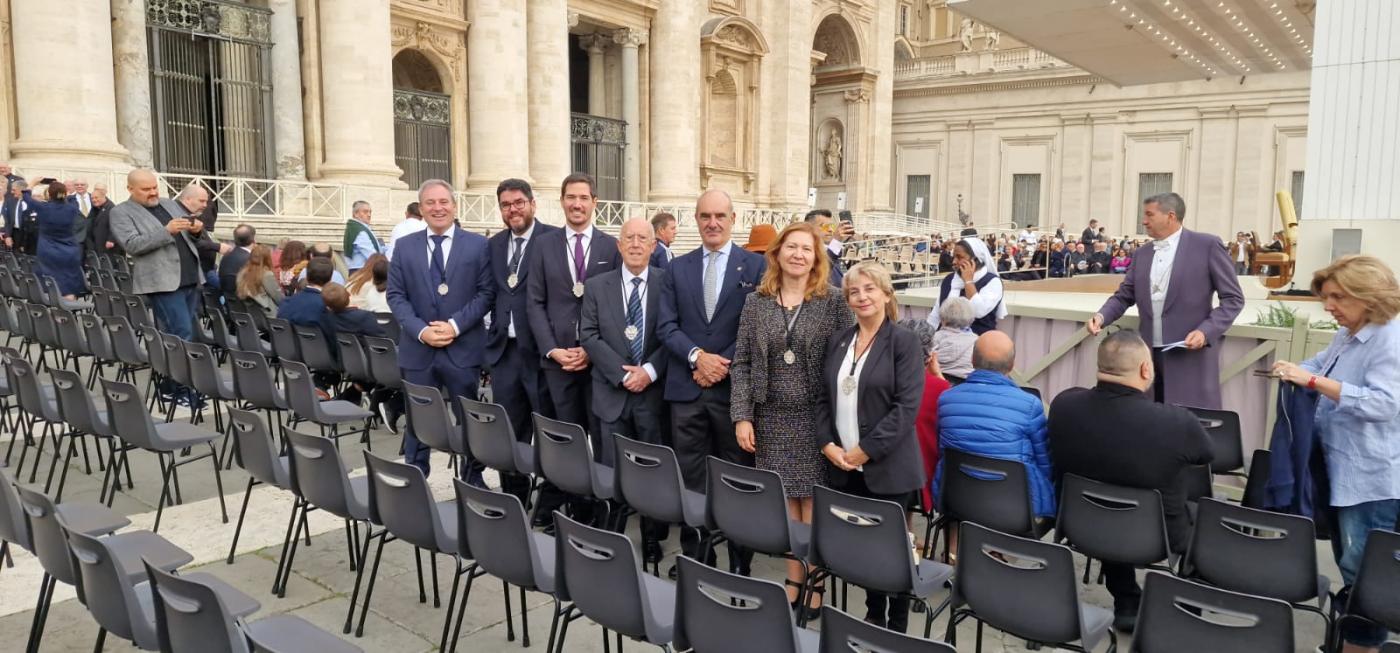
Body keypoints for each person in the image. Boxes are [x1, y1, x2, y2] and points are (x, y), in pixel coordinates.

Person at [1269, 255, 1400, 653]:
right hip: (1343, 468)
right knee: (1351, 565)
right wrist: (1296, 368)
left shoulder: (1390, 338)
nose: (1329, 306)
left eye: (1337, 297)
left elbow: (1385, 404)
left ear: (1368, 295)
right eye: (1327, 297)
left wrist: (1310, 380)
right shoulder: (1351, 331)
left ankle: (1361, 646)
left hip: (1371, 479)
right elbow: (1322, 365)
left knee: (1364, 576)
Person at [1048, 329, 1214, 633]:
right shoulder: (1176, 423)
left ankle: (1127, 602)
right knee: (1204, 515)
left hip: (1081, 526)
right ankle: (1188, 618)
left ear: (1100, 366)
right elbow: (1206, 455)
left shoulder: (1063, 406)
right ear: (1145, 369)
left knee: (1111, 503)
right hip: (1159, 538)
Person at [730, 222, 851, 615]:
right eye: (791, 247)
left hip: (816, 419)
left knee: (813, 505)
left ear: (817, 258)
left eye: (807, 249)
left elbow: (850, 362)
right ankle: (793, 579)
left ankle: (814, 583)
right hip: (770, 419)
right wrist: (742, 416)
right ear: (777, 253)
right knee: (783, 505)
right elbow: (744, 363)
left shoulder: (833, 302)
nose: (799, 254)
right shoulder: (756, 302)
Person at [657, 188, 767, 575]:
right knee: (691, 479)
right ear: (696, 219)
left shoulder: (755, 268)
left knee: (737, 479)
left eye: (720, 215)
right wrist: (696, 357)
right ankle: (696, 557)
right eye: (705, 216)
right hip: (686, 392)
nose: (713, 223)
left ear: (733, 219)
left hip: (733, 394)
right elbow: (665, 326)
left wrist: (722, 363)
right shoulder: (677, 268)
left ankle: (740, 563)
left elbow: (758, 328)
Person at [814, 261, 926, 632]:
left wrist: (867, 450)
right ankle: (873, 612)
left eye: (869, 289)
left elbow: (906, 408)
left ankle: (896, 622)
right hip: (844, 466)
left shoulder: (904, 342)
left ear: (886, 294)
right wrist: (827, 443)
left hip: (887, 468)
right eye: (853, 292)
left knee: (892, 548)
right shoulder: (839, 340)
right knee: (864, 546)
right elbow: (822, 399)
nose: (861, 297)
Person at [1087, 192, 1245, 408]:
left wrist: (1206, 331)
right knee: (1149, 423)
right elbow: (1125, 295)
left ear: (1170, 216)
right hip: (1146, 358)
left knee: (1189, 425)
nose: (1144, 221)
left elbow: (1233, 299)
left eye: (1149, 215)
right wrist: (1101, 316)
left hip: (1190, 356)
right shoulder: (1142, 253)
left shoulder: (1207, 245)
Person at [388, 179, 495, 478]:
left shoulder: (478, 245)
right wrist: (421, 330)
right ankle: (415, 480)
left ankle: (473, 479)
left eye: (443, 202)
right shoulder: (405, 246)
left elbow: (486, 293)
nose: (438, 208)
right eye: (430, 203)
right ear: (421, 209)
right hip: (418, 349)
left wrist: (454, 326)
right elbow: (396, 295)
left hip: (462, 348)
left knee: (468, 420)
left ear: (454, 205)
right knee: (419, 420)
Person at [579, 217, 670, 552]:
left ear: (653, 245)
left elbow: (671, 334)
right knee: (610, 468)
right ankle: (610, 536)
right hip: (610, 393)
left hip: (652, 394)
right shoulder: (596, 285)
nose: (635, 244)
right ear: (618, 245)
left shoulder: (666, 283)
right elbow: (588, 335)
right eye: (628, 238)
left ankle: (650, 537)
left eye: (642, 238)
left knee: (650, 471)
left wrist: (648, 371)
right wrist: (622, 374)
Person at [526, 173, 621, 446]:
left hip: (599, 361)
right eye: (570, 197)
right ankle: (567, 488)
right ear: (561, 201)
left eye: (583, 198)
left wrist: (593, 351)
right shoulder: (543, 245)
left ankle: (600, 489)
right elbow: (534, 301)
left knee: (602, 434)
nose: (576, 204)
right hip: (558, 359)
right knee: (564, 437)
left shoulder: (610, 247)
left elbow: (615, 307)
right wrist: (552, 349)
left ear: (595, 202)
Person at [485, 178, 559, 505]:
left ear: (532, 203)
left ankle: (550, 499)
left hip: (542, 352)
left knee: (548, 429)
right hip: (505, 353)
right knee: (508, 432)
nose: (513, 210)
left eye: (518, 203)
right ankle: (515, 497)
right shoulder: (495, 245)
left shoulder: (553, 239)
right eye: (506, 204)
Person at [935, 331, 1054, 520]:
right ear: (1012, 365)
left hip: (957, 499)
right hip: (1015, 508)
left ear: (972, 360)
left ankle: (953, 549)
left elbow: (941, 452)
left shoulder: (947, 399)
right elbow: (1045, 463)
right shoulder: (1029, 405)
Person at [108, 169, 205, 341]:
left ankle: (179, 366)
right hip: (162, 282)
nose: (152, 192)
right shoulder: (121, 212)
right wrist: (166, 231)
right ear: (130, 189)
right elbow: (132, 245)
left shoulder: (169, 203)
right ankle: (175, 367)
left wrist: (196, 231)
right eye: (145, 189)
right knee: (180, 332)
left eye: (154, 187)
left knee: (189, 331)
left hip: (190, 276)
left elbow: (187, 234)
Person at [926, 237, 1006, 335]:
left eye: (959, 257)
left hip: (977, 343)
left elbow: (978, 311)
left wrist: (968, 281)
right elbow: (936, 314)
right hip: (945, 341)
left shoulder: (992, 281)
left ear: (975, 259)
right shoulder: (950, 280)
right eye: (954, 257)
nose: (954, 262)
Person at [30, 180, 86, 298]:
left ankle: (54, 311)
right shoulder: (72, 207)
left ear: (49, 195)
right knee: (69, 283)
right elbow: (72, 200)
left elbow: (26, 196)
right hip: (69, 251)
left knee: (50, 282)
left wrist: (32, 183)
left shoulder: (43, 208)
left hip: (48, 250)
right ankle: (68, 311)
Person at [277, 256, 334, 343]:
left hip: (287, 351)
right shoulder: (327, 307)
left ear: (307, 277)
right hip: (318, 353)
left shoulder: (286, 302)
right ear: (330, 280)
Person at [804, 209, 855, 287]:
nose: (830, 230)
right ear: (809, 228)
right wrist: (836, 241)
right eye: (824, 226)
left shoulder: (833, 252)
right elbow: (822, 267)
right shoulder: (805, 253)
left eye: (832, 226)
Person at [932, 296, 977, 381]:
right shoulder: (978, 342)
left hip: (939, 382)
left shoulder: (934, 338)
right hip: (967, 384)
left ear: (943, 317)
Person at [235, 244, 283, 317]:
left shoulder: (242, 272)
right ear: (268, 259)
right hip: (268, 314)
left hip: (250, 313)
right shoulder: (267, 275)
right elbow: (278, 298)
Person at [218, 224, 257, 301]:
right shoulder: (251, 260)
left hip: (227, 301)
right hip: (246, 303)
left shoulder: (226, 256)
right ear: (253, 239)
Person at [342, 200, 382, 273]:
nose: (369, 215)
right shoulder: (359, 231)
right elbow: (372, 255)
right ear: (356, 214)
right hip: (361, 271)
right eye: (365, 212)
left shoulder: (355, 227)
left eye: (370, 212)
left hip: (358, 270)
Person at [84, 183, 120, 258]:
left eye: (96, 198)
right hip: (96, 245)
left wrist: (111, 240)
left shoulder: (112, 208)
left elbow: (117, 225)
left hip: (108, 246)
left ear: (104, 197)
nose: (94, 200)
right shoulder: (95, 208)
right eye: (92, 198)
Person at [2, 179, 35, 252]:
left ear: (22, 190)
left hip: (29, 236)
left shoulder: (33, 202)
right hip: (15, 235)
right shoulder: (9, 201)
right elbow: (6, 220)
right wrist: (7, 236)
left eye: (14, 190)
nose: (11, 192)